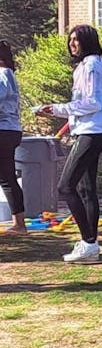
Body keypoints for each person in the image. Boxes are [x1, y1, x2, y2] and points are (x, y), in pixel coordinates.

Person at [34, 25, 102, 263]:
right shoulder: (93, 65)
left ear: (87, 42)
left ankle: (88, 241)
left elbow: (92, 103)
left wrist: (57, 109)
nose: (72, 45)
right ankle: (91, 244)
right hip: (89, 130)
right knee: (86, 189)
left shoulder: (91, 66)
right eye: (70, 41)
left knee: (65, 186)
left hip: (92, 132)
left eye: (76, 40)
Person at [0, 40, 27, 235]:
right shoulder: (8, 74)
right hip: (9, 130)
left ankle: (19, 224)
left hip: (4, 130)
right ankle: (19, 223)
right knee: (7, 177)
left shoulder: (3, 73)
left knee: (7, 177)